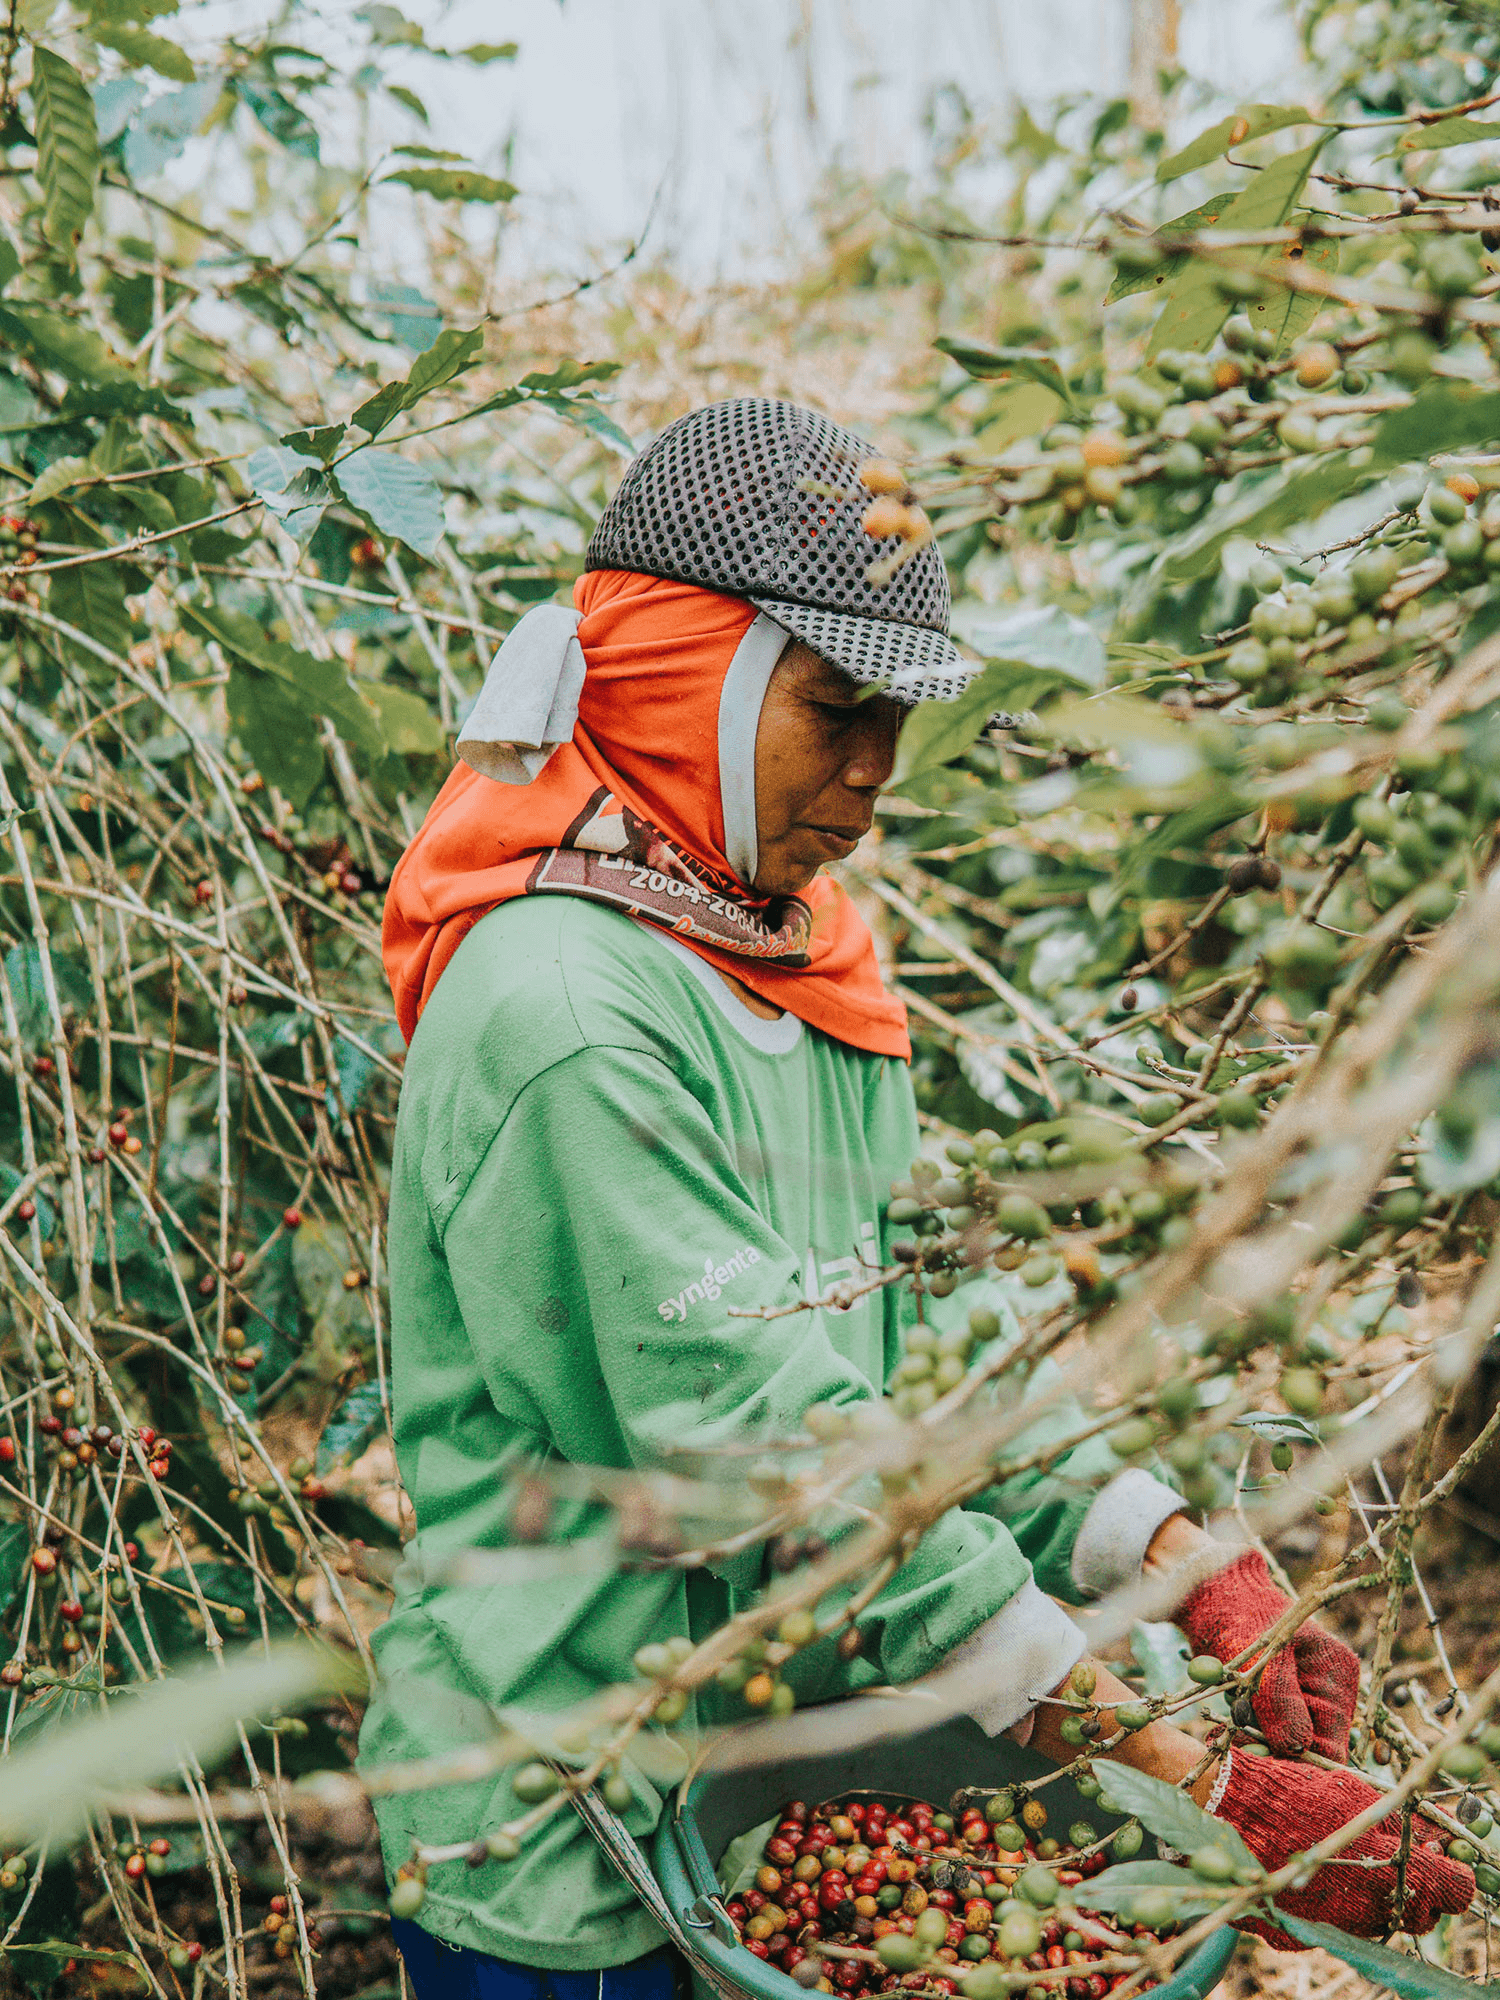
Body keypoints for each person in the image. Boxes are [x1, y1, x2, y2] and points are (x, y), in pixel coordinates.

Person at [362, 398, 1471, 1998]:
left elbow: (921, 1332)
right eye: (835, 707)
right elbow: (778, 1442)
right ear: (688, 678)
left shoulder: (801, 957)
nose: (879, 769)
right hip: (563, 1833)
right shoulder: (566, 1014)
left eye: (898, 716)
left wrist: (1180, 1552)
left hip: (761, 1761)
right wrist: (1204, 1779)